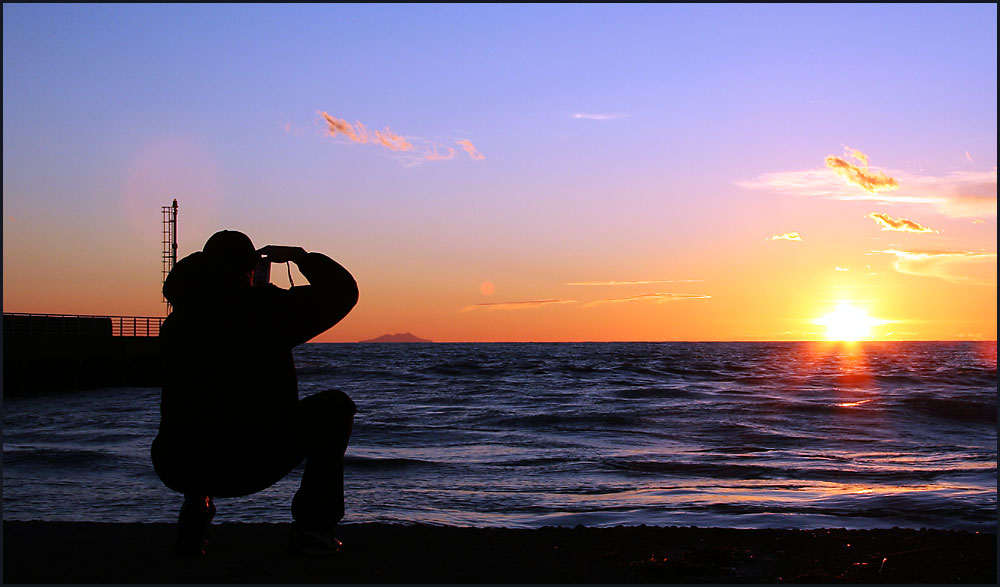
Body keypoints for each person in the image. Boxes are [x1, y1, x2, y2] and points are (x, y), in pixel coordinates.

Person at [151, 230, 359, 556]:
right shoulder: (264, 309)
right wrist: (301, 257)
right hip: (246, 462)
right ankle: (313, 529)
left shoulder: (178, 321)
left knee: (198, 418)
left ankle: (195, 517)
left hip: (177, 462)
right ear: (250, 268)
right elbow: (343, 292)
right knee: (336, 408)